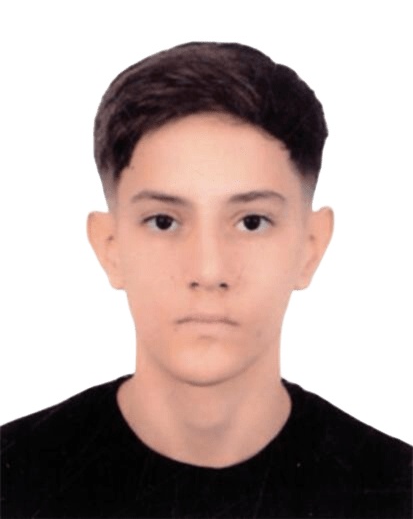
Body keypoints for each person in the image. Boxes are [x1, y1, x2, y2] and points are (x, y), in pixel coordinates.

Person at [1, 41, 411, 519]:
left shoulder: (397, 491)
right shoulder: (13, 482)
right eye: (163, 222)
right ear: (110, 246)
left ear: (311, 246)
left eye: (252, 222)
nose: (209, 271)